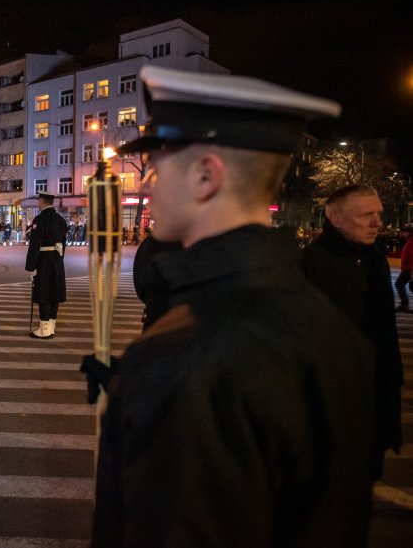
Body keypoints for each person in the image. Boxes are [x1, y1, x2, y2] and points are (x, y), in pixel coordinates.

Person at [82, 65, 375, 547]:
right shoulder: (327, 325)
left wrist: (145, 384)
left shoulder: (188, 356)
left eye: (159, 162)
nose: (150, 182)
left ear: (205, 175)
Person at [302, 184, 404, 480]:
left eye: (378, 214)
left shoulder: (374, 258)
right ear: (334, 218)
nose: (378, 223)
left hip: (374, 389)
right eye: (366, 215)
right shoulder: (313, 262)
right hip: (334, 398)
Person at [25, 191, 67, 339]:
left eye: (39, 200)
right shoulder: (61, 220)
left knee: (43, 293)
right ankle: (51, 327)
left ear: (42, 201)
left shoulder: (40, 219)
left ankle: (43, 329)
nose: (38, 202)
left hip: (44, 261)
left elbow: (35, 244)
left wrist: (31, 266)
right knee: (54, 293)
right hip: (57, 260)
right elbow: (63, 243)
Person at [395, 224, 413, 312]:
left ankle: (404, 304)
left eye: (404, 232)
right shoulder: (409, 241)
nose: (403, 234)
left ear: (408, 232)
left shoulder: (411, 241)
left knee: (399, 284)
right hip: (408, 268)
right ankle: (404, 304)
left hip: (409, 269)